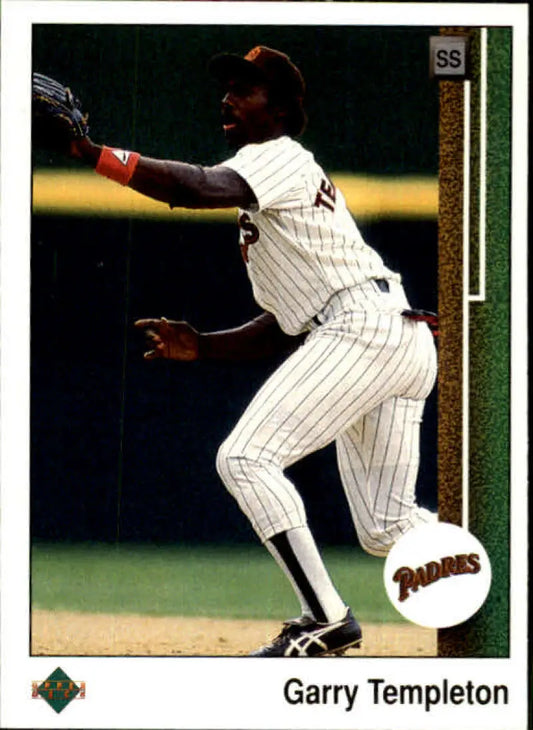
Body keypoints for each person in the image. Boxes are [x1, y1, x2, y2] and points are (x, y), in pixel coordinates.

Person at [45, 46, 438, 656]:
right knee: (389, 528)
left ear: (278, 109)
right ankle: (505, 563)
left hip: (365, 327)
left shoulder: (278, 157)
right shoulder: (269, 191)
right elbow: (286, 325)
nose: (227, 97)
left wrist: (92, 155)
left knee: (246, 458)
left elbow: (198, 187)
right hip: (390, 332)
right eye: (227, 86)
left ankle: (325, 619)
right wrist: (203, 346)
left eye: (245, 89)